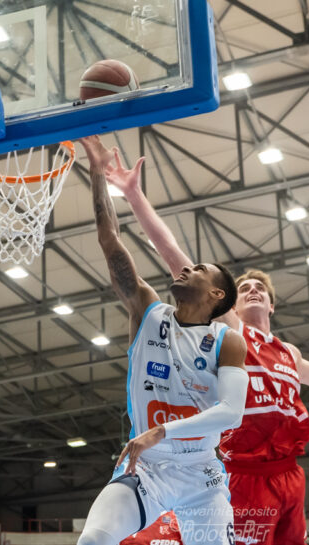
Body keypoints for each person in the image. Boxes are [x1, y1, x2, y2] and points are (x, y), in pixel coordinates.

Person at [104, 147, 309, 545]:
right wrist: (134, 195)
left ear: (271, 304)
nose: (251, 291)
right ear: (228, 301)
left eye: (259, 289)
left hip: (289, 473)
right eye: (244, 288)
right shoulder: (231, 331)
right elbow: (173, 255)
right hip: (243, 472)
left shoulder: (288, 353)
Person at [75, 135, 249, 545]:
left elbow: (232, 414)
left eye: (200, 268)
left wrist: (162, 431)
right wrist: (98, 175)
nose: (187, 269)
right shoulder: (147, 310)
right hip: (145, 466)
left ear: (217, 295)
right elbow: (109, 240)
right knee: (93, 540)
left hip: (201, 475)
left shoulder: (227, 340)